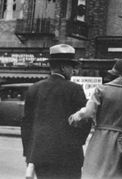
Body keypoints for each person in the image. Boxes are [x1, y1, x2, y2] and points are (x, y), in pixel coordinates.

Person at [21, 44, 91, 179]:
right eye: (72, 68)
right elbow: (85, 121)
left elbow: (26, 124)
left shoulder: (34, 89)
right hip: (68, 156)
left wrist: (29, 154)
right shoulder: (75, 89)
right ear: (64, 67)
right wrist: (77, 143)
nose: (73, 72)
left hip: (41, 156)